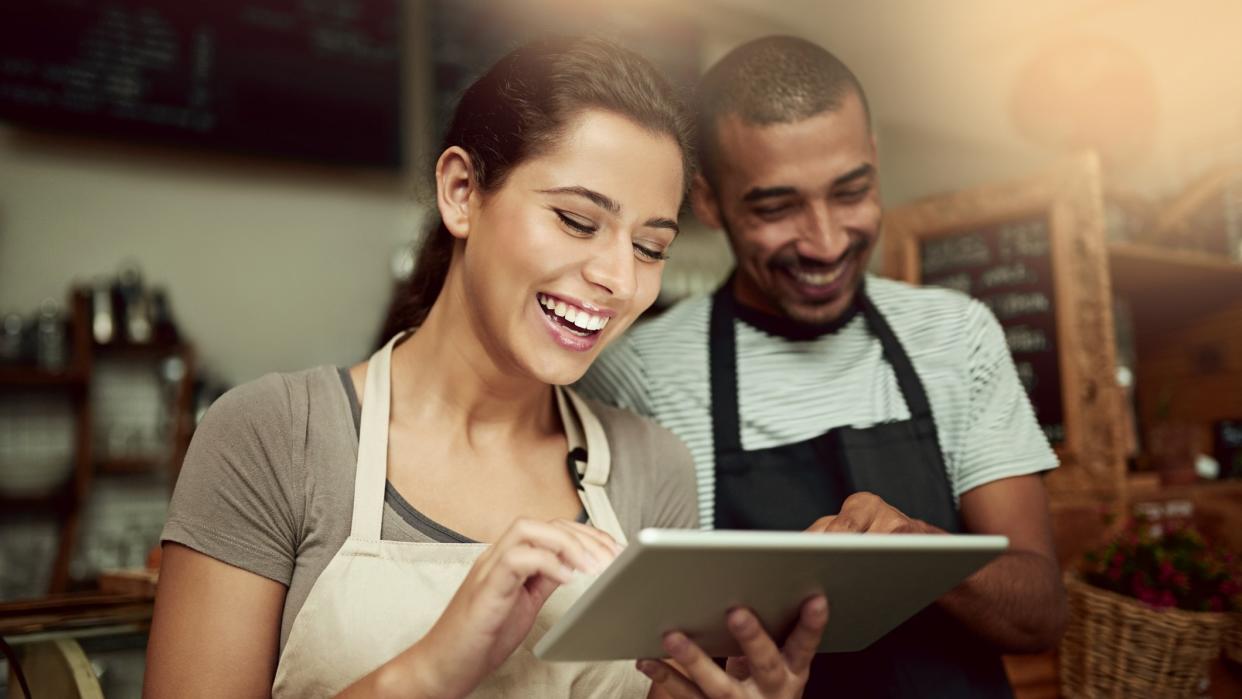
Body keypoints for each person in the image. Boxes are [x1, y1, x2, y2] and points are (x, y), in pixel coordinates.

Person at [144, 37, 827, 699]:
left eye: (650, 246)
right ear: (462, 191)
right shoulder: (271, 438)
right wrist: (434, 669)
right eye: (577, 220)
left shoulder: (653, 470)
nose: (619, 278)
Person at [577, 35, 1068, 698]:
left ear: (875, 159)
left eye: (851, 192)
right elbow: (633, 653)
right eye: (777, 207)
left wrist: (923, 557)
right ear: (710, 201)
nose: (827, 240)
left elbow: (1041, 612)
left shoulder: (957, 336)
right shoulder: (637, 375)